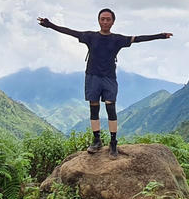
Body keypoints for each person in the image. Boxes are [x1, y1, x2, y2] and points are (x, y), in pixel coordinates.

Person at [38, 9, 173, 157]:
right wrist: (50, 25)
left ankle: (113, 143)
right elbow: (70, 31)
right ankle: (97, 140)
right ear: (98, 20)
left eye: (108, 19)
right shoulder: (90, 36)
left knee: (110, 108)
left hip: (109, 78)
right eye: (102, 19)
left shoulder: (117, 39)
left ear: (113, 21)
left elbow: (138, 39)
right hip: (92, 77)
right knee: (94, 108)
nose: (105, 22)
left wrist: (160, 36)